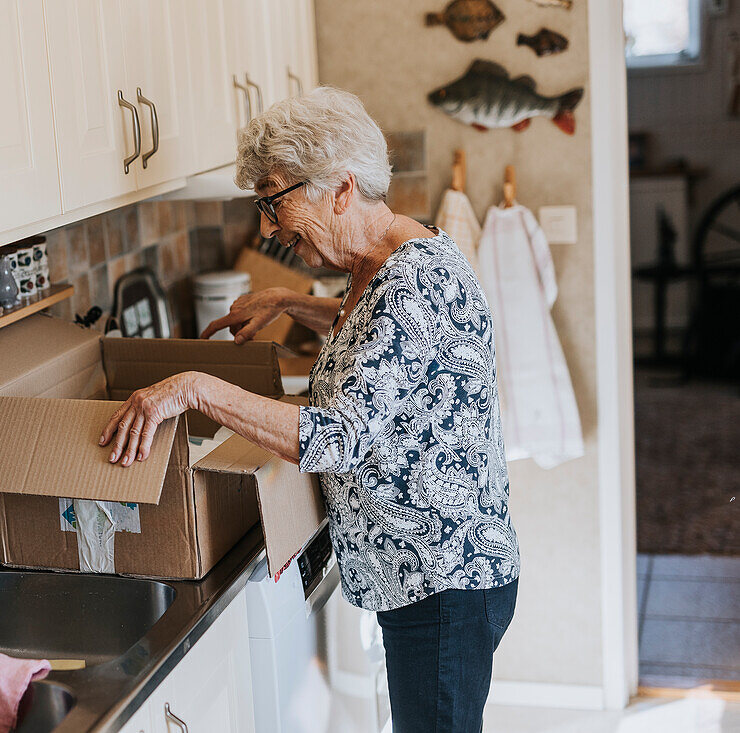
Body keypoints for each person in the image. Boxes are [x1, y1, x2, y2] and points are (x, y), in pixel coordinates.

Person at [99, 86, 519, 733]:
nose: (269, 226)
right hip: (429, 575)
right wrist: (292, 302)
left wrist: (195, 387)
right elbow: (386, 341)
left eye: (275, 199)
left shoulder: (412, 278)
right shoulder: (392, 262)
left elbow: (339, 434)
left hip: (442, 583)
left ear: (340, 188)